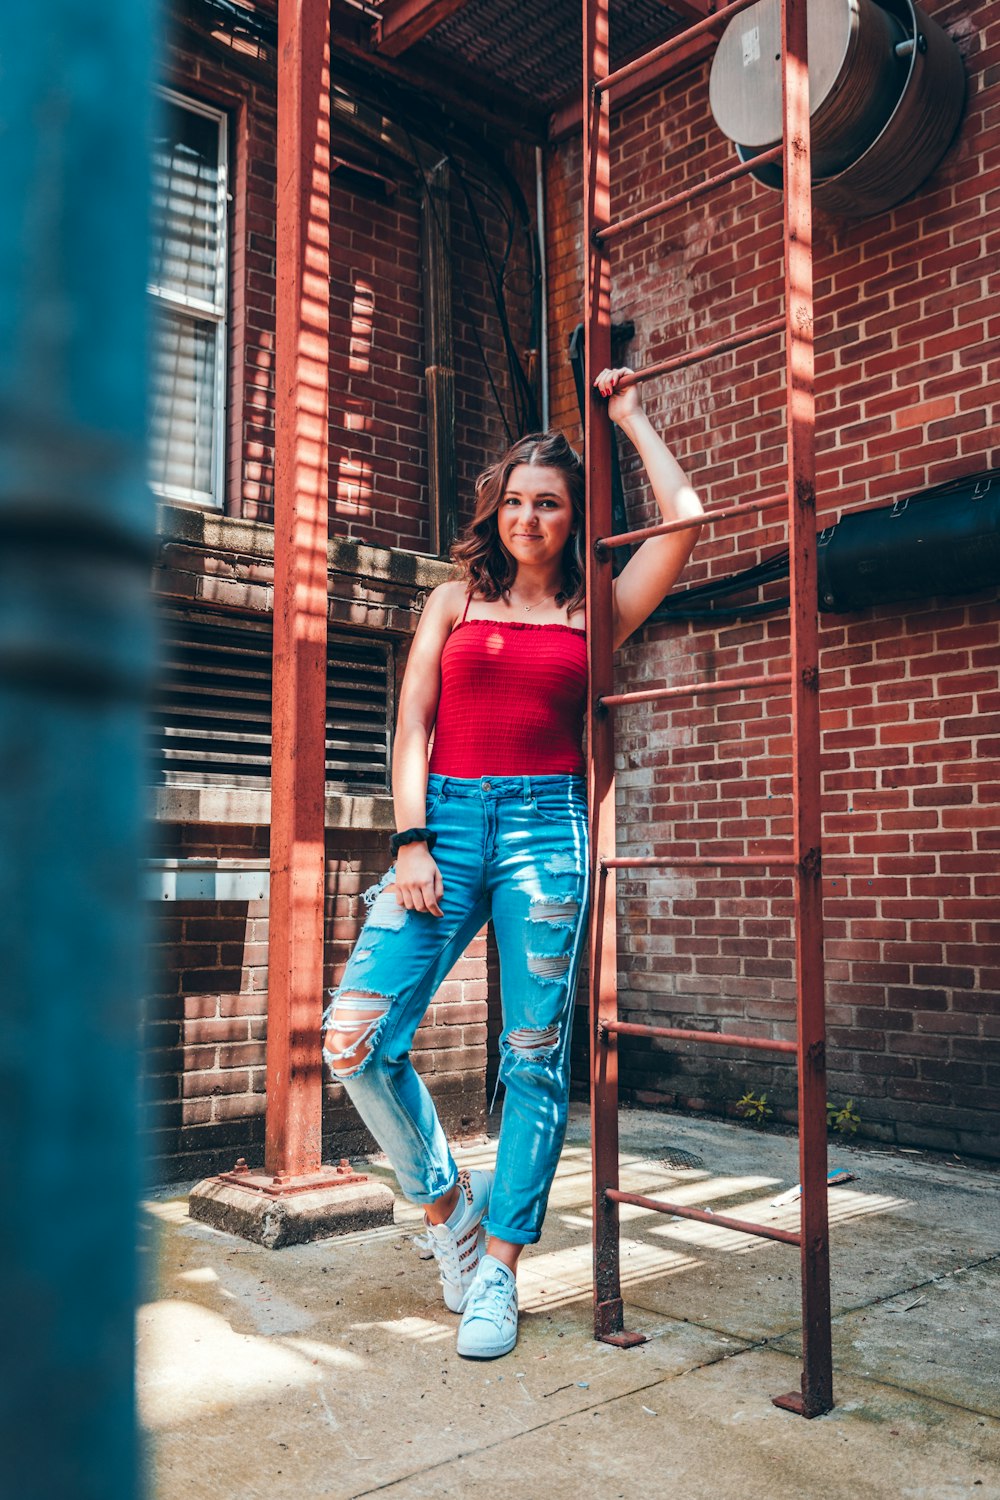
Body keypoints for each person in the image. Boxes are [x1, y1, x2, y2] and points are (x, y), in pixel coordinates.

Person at [322, 368, 704, 1359]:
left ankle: (498, 1267)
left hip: (546, 829)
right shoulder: (452, 601)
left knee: (532, 1061)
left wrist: (625, 417)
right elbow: (411, 724)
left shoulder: (598, 613)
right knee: (354, 1037)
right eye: (514, 502)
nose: (528, 517)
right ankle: (448, 1207)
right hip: (442, 825)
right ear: (492, 512)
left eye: (549, 504)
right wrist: (409, 839)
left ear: (573, 519)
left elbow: (686, 517)